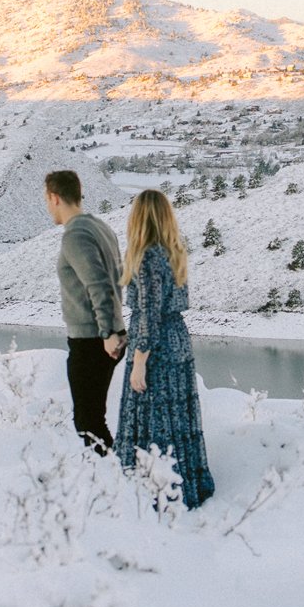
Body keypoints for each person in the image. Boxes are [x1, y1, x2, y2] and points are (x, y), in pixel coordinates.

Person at [114, 188, 214, 509]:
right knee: (175, 415)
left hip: (156, 347)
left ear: (139, 219)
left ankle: (152, 490)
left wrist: (140, 359)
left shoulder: (147, 257)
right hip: (177, 341)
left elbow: (150, 313)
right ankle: (184, 485)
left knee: (151, 415)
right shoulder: (172, 252)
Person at [46, 169, 127, 453]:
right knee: (93, 419)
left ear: (54, 197)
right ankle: (114, 475)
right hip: (109, 334)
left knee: (87, 422)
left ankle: (115, 479)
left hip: (92, 339)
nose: (48, 207)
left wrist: (106, 332)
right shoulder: (100, 227)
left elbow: (98, 284)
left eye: (47, 200)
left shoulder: (75, 235)